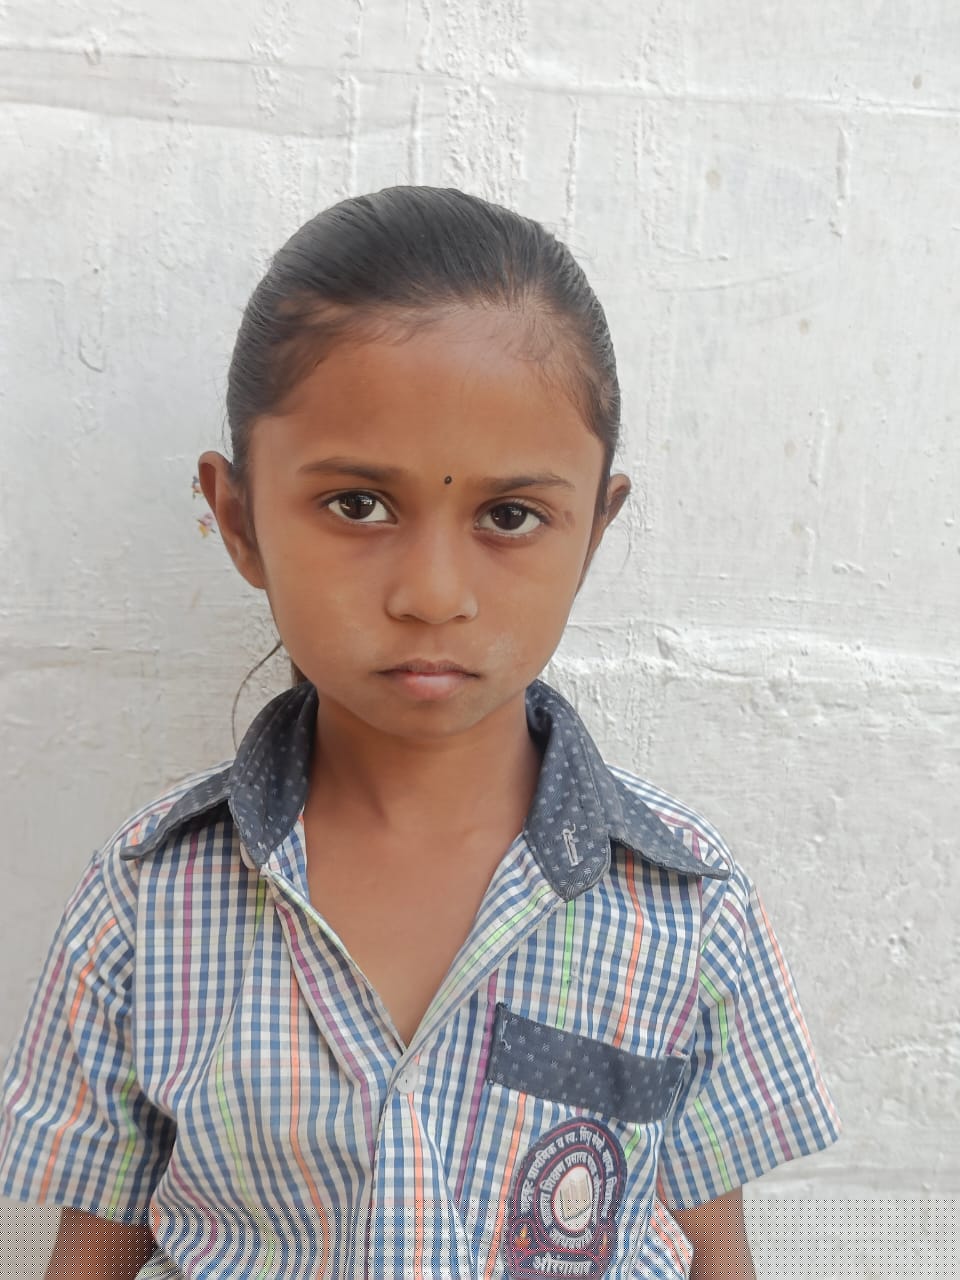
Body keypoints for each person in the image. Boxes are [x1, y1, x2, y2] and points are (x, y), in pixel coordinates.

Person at [0, 186, 840, 1280]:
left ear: (593, 531)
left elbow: (714, 1248)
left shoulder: (686, 906)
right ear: (240, 518)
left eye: (510, 515)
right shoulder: (147, 898)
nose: (434, 593)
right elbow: (97, 1249)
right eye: (358, 504)